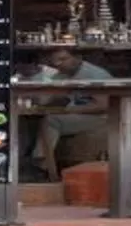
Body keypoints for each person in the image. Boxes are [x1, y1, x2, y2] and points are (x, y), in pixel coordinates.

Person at [18, 47, 112, 179]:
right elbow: (46, 98)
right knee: (32, 121)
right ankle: (24, 161)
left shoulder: (93, 74)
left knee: (52, 120)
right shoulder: (63, 74)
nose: (58, 64)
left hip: (101, 117)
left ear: (77, 58)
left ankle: (41, 164)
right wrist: (31, 93)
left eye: (63, 59)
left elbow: (104, 105)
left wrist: (70, 110)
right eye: (55, 61)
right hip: (76, 115)